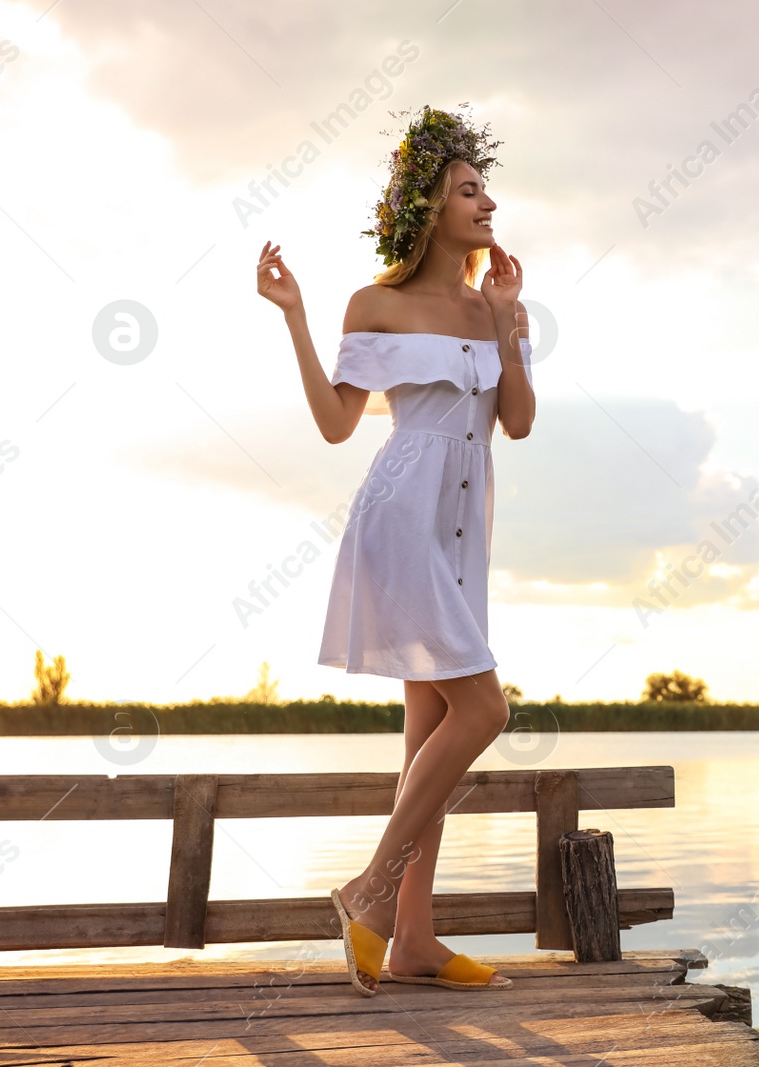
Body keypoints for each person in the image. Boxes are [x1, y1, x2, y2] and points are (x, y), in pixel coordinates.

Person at [254, 104, 533, 996]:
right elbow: (339, 424)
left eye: (486, 187)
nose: (487, 201)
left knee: (428, 737)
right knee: (483, 712)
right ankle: (369, 890)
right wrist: (295, 318)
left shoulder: (496, 304)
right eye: (468, 189)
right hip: (399, 516)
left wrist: (506, 324)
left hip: (464, 532)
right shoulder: (376, 304)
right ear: (429, 207)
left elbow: (517, 422)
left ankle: (412, 936)